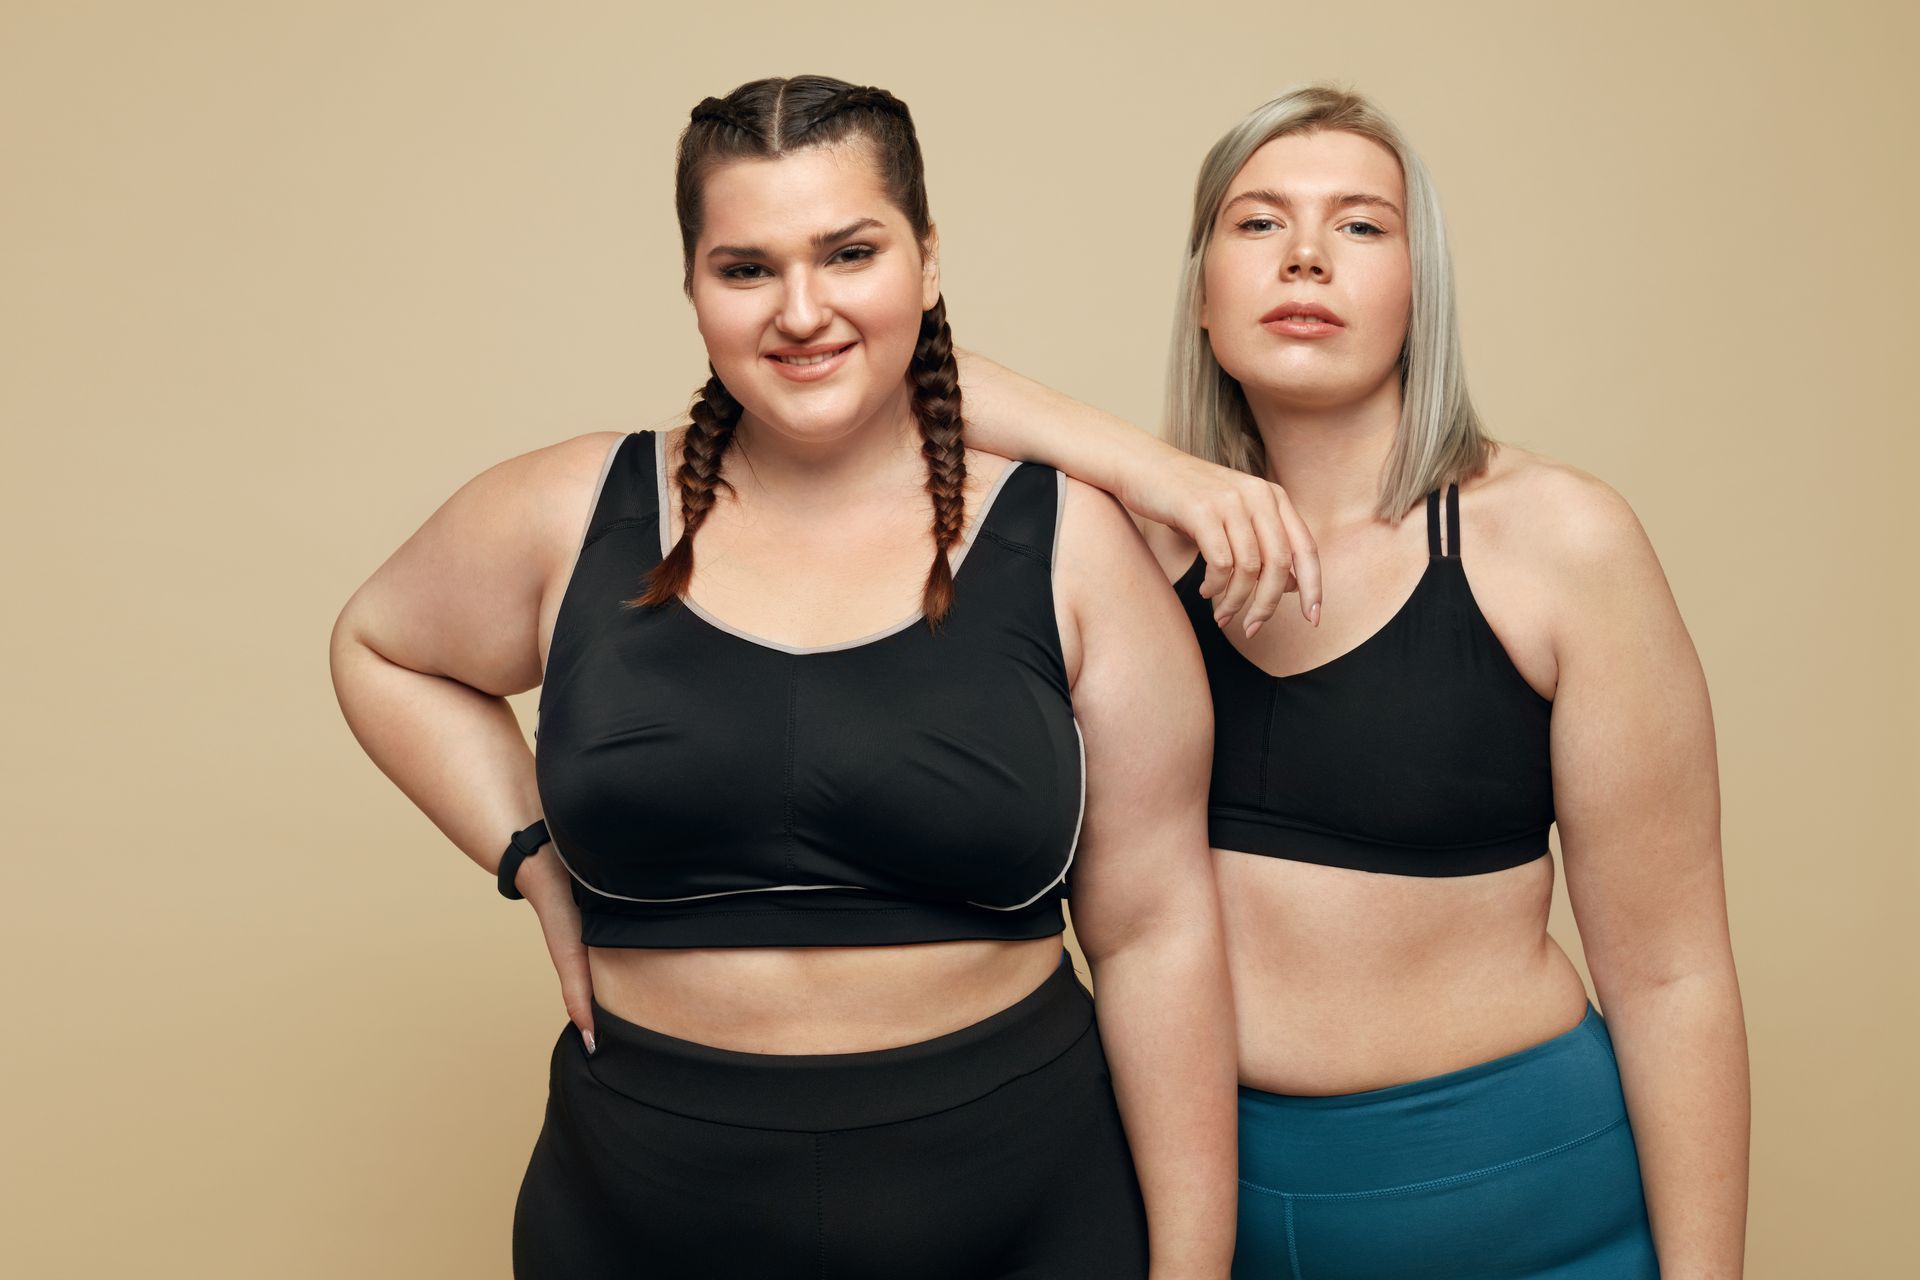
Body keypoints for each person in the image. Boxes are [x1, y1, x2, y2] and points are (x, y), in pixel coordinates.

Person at [328, 75, 1237, 1278]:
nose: (801, 310)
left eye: (849, 252)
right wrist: (533, 857)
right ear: (694, 285)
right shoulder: (569, 512)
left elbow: (1158, 935)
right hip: (637, 1208)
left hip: (1023, 1208)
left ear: (926, 259)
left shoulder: (1072, 542)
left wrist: (1190, 1270)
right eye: (746, 267)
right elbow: (377, 642)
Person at [957, 84, 1749, 1277]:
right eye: (1259, 223)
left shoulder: (1556, 539)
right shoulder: (1126, 544)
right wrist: (1155, 469)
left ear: (1418, 290)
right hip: (1189, 1206)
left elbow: (1675, 973)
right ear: (1203, 294)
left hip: (1519, 1207)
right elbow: (896, 377)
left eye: (1363, 226)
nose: (1309, 256)